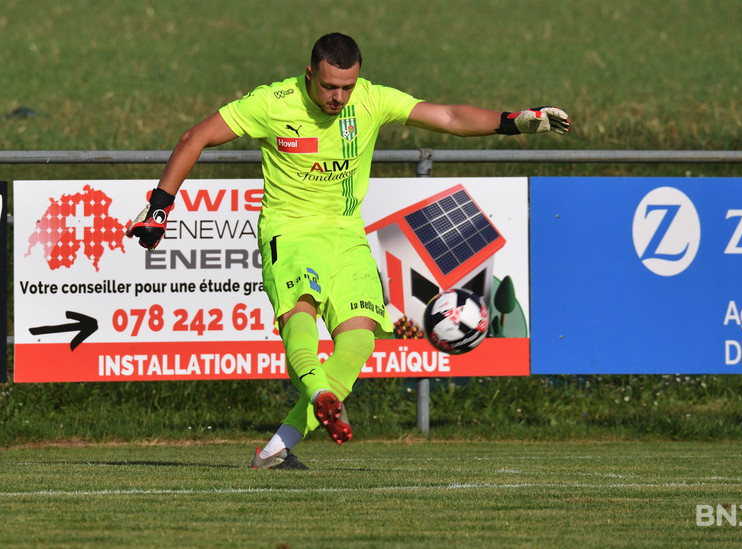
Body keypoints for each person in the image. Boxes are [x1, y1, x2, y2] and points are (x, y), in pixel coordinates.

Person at [126, 33, 570, 469]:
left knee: (358, 341)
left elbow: (451, 116)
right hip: (291, 231)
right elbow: (194, 137)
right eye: (329, 87)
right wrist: (159, 208)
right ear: (309, 75)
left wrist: (514, 121)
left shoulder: (371, 100)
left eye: (347, 87)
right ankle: (322, 394)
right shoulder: (271, 102)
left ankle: (277, 446)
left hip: (348, 235)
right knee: (300, 315)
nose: (338, 97)